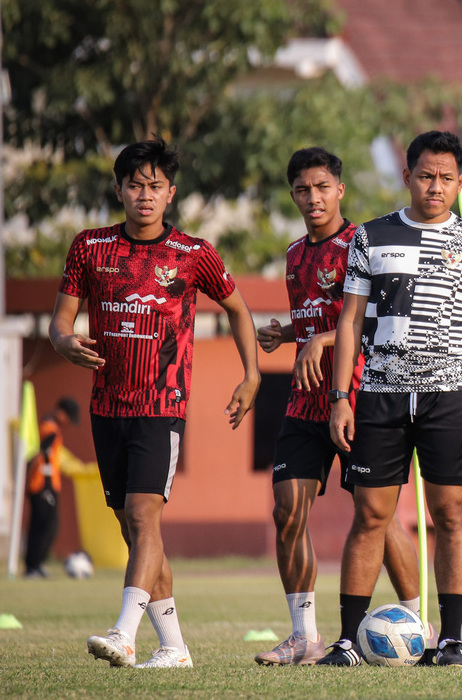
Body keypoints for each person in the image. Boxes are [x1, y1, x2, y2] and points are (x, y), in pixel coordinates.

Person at [49, 136, 260, 668]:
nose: (146, 194)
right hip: (106, 407)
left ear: (171, 193)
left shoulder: (193, 254)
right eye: (136, 185)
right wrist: (65, 344)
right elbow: (60, 323)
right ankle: (175, 648)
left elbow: (237, 309)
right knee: (134, 526)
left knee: (144, 516)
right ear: (119, 189)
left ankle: (124, 633)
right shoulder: (90, 247)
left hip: (161, 405)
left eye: (156, 186)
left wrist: (252, 373)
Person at [318, 131, 462, 667]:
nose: (435, 187)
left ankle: (448, 641)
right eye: (426, 175)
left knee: (450, 514)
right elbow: (350, 320)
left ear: (461, 181)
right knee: (371, 515)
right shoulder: (370, 237)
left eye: (447, 178)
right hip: (380, 395)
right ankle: (349, 641)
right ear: (408, 177)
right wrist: (340, 397)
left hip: (451, 398)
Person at [253, 148, 424, 665]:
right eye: (303, 190)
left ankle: (420, 625)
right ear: (293, 196)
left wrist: (322, 342)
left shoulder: (364, 244)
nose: (313, 198)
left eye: (322, 187)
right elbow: (313, 321)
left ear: (340, 190)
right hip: (305, 405)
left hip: (361, 398)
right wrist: (287, 333)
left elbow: (380, 319)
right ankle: (303, 635)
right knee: (287, 510)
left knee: (380, 516)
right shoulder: (293, 255)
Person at [24, 397, 81, 578]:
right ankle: (32, 566)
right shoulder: (49, 428)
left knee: (48, 525)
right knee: (44, 525)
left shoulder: (50, 428)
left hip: (46, 484)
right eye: (68, 417)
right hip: (43, 484)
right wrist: (39, 483)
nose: (68, 422)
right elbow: (38, 455)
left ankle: (37, 564)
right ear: (60, 412)